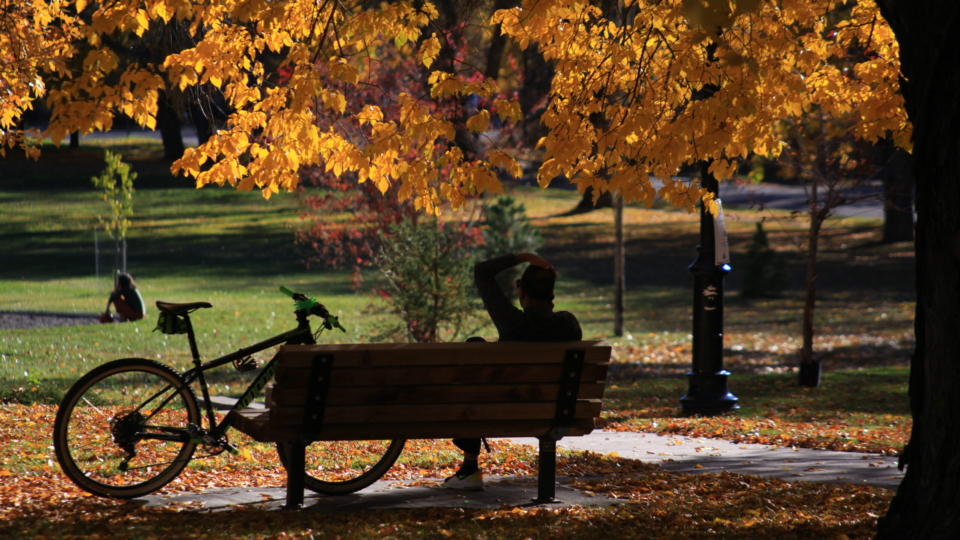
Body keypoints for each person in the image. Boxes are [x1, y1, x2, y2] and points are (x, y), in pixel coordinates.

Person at [444, 253, 582, 491]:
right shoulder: (568, 324)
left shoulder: (511, 322)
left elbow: (482, 271)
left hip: (501, 410)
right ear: (550, 296)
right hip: (556, 413)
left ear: (522, 292)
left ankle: (470, 468)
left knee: (475, 346)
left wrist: (524, 257)